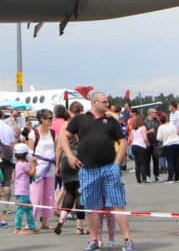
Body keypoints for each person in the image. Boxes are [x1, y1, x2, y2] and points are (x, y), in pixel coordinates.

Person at [61, 91, 135, 251]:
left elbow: (123, 142)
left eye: (107, 102)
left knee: (117, 204)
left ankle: (128, 239)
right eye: (104, 102)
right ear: (94, 103)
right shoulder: (80, 119)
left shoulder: (111, 121)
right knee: (91, 206)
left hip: (109, 168)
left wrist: (117, 163)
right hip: (88, 170)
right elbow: (64, 136)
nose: (107, 104)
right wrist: (69, 156)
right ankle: (93, 239)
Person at [54, 101, 86, 236]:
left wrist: (57, 165)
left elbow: (59, 147)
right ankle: (79, 227)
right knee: (80, 193)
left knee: (69, 192)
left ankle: (61, 219)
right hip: (78, 159)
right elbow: (83, 143)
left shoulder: (64, 126)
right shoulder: (80, 125)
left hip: (65, 161)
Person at [27, 108, 57, 230]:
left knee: (49, 195)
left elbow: (56, 148)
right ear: (42, 119)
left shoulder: (53, 133)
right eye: (49, 118)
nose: (51, 120)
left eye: (51, 118)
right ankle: (30, 221)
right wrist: (32, 166)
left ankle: (45, 221)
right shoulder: (34, 133)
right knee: (36, 195)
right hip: (38, 166)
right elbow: (29, 151)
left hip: (50, 165)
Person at [0, 108, 15, 226]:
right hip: (8, 156)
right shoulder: (8, 127)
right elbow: (12, 143)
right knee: (7, 182)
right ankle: (7, 206)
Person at [12, 143, 38, 235]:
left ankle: (32, 227)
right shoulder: (23, 164)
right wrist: (34, 164)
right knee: (21, 209)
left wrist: (31, 163)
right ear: (25, 154)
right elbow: (31, 173)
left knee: (29, 209)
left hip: (20, 190)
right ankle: (17, 228)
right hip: (23, 191)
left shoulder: (18, 163)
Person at [157, 113, 179, 183]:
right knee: (176, 161)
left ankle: (170, 178)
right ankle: (177, 178)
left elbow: (159, 138)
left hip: (168, 144)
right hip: (177, 142)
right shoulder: (172, 125)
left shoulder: (161, 127)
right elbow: (177, 132)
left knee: (170, 161)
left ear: (160, 121)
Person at [130, 114, 148, 183]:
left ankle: (138, 179)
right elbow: (145, 138)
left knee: (137, 163)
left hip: (134, 145)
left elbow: (131, 138)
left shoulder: (133, 128)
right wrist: (147, 144)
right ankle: (144, 178)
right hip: (141, 145)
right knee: (143, 162)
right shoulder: (143, 127)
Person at [144, 108, 161, 182]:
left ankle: (156, 175)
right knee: (147, 160)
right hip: (148, 142)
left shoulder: (157, 121)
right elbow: (142, 132)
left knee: (156, 160)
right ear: (150, 113)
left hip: (155, 142)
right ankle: (147, 175)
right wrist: (149, 131)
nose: (156, 113)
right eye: (155, 112)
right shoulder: (145, 121)